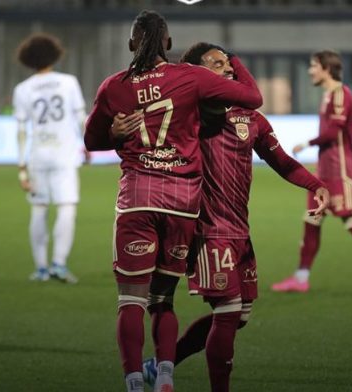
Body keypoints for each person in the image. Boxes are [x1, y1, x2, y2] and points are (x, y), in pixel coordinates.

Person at [133, 43, 329, 392]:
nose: (227, 70)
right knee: (228, 312)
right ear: (195, 73)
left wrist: (315, 185)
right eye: (217, 64)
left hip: (240, 229)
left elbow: (280, 159)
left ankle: (161, 364)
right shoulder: (190, 114)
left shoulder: (248, 116)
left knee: (239, 316)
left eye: (228, 64)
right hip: (207, 230)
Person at [84, 11, 262, 392]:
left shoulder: (114, 87)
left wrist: (116, 134)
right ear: (168, 44)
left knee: (131, 299)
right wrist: (233, 60)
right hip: (182, 201)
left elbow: (91, 141)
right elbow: (253, 97)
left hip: (137, 198)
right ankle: (165, 374)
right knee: (163, 297)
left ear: (132, 44)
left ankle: (134, 381)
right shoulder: (191, 77)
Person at [271, 50, 352, 294]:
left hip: (341, 172)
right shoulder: (328, 95)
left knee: (351, 218)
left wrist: (307, 144)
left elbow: (334, 131)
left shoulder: (340, 94)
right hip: (325, 172)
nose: (310, 70)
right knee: (312, 220)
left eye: (314, 66)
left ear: (326, 68)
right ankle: (301, 278)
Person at [12, 33, 87, 284]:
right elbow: (80, 119)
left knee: (39, 208)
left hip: (38, 156)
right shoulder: (68, 82)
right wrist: (88, 145)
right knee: (66, 208)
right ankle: (59, 264)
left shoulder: (22, 89)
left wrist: (22, 169)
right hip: (64, 154)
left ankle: (41, 268)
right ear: (54, 55)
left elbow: (22, 131)